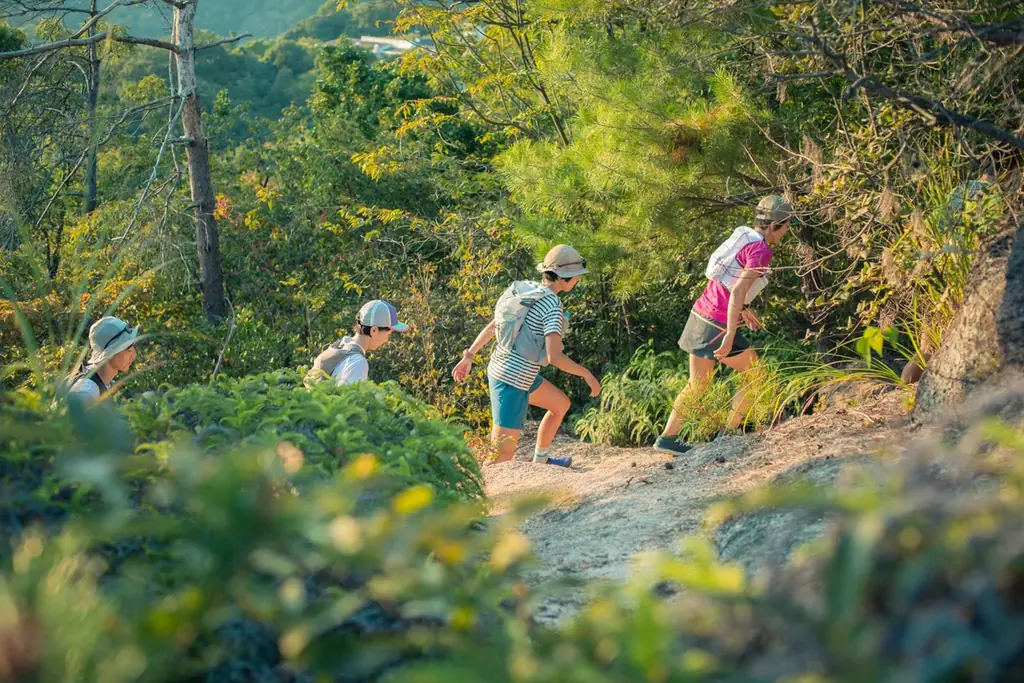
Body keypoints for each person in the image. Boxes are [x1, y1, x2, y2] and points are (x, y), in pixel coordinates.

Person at [654, 195, 793, 455]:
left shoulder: (746, 237)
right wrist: (730, 333)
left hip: (701, 313)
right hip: (718, 323)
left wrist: (745, 310)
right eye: (786, 226)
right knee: (756, 374)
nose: (786, 231)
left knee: (698, 383)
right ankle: (727, 434)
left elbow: (727, 281)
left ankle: (667, 439)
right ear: (777, 225)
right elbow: (738, 290)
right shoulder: (762, 251)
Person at [452, 245, 601, 467]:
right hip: (511, 381)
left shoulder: (528, 291)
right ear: (563, 277)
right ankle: (480, 488)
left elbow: (494, 326)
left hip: (512, 372)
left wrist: (470, 355)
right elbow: (554, 357)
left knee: (560, 404)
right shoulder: (552, 306)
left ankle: (541, 460)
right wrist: (586, 374)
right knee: (501, 457)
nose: (578, 279)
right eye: (577, 275)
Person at [305, 300, 409, 387]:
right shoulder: (357, 362)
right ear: (374, 330)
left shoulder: (341, 345)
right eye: (389, 333)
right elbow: (349, 402)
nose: (387, 339)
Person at [67, 316, 139, 407]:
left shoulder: (103, 381)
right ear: (110, 353)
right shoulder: (88, 389)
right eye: (128, 349)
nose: (134, 354)